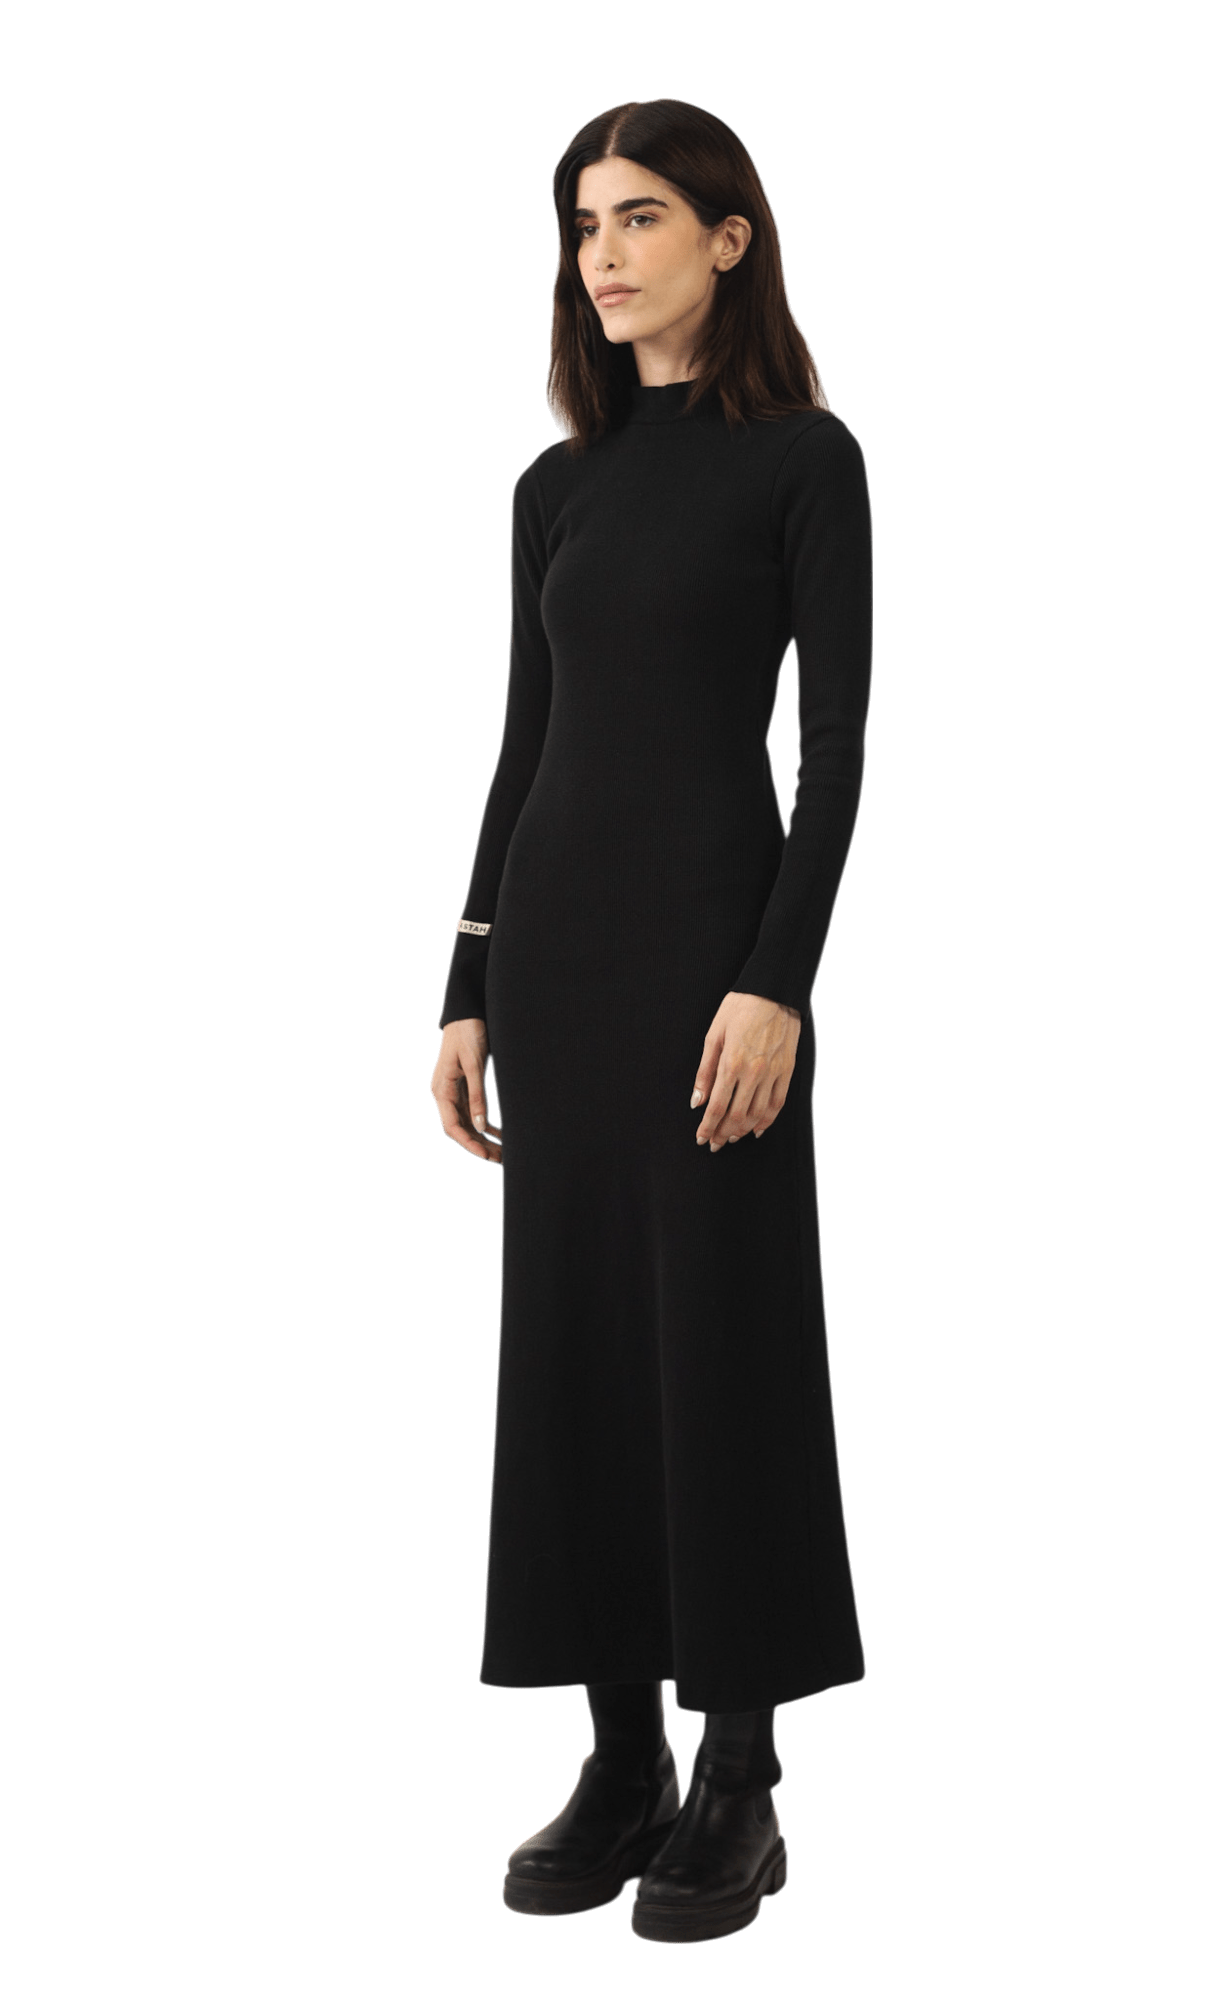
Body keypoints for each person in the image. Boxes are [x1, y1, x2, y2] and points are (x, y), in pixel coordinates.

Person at [429, 97, 873, 1946]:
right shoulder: (554, 489)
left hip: (713, 966)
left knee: (722, 1348)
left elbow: (835, 747)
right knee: (581, 1354)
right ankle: (621, 1764)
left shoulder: (808, 463)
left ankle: (739, 1779)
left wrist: (778, 981)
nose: (601, 254)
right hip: (555, 970)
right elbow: (520, 747)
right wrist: (464, 981)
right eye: (585, 225)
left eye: (639, 219)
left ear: (729, 238)